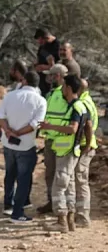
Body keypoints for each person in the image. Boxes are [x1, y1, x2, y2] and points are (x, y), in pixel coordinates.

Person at [38, 74, 90, 233]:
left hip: (66, 150)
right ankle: (70, 221)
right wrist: (86, 145)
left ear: (68, 88)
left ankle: (61, 220)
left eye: (64, 86)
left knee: (59, 186)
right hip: (68, 150)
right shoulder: (81, 105)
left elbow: (73, 128)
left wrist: (49, 127)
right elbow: (88, 126)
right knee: (69, 186)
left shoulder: (75, 107)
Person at [0, 67, 46, 223]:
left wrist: (8, 131)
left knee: (9, 175)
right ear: (37, 84)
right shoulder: (40, 100)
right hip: (25, 144)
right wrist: (18, 133)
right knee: (24, 179)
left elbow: (0, 117)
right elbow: (35, 124)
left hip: (8, 143)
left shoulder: (10, 96)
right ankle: (18, 212)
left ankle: (7, 205)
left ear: (24, 81)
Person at [36, 63, 69, 214]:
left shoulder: (67, 93)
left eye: (50, 75)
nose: (48, 78)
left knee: (63, 176)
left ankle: (64, 208)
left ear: (57, 76)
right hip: (51, 140)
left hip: (63, 140)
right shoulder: (52, 94)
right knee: (50, 173)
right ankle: (53, 203)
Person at [74, 78, 98, 228]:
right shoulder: (87, 99)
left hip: (85, 147)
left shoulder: (83, 103)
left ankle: (83, 216)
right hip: (86, 145)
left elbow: (88, 126)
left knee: (81, 180)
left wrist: (87, 146)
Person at [33, 28, 61, 96]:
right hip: (40, 79)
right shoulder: (43, 46)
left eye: (41, 41)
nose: (40, 43)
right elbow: (39, 56)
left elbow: (59, 65)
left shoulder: (58, 46)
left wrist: (45, 67)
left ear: (46, 38)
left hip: (51, 80)